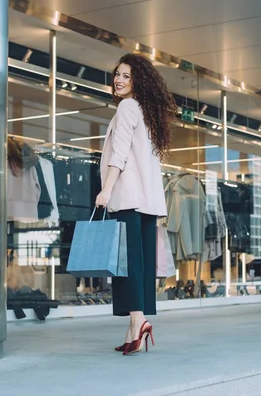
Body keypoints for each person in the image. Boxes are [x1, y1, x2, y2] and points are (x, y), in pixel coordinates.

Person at [95, 53, 176, 356]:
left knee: (127, 265)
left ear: (138, 80)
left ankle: (138, 322)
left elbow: (119, 154)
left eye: (126, 76)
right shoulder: (147, 111)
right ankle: (133, 329)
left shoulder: (128, 107)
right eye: (117, 74)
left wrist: (106, 190)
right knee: (139, 265)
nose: (119, 80)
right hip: (148, 201)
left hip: (128, 197)